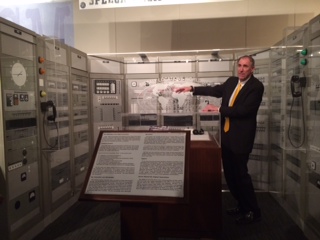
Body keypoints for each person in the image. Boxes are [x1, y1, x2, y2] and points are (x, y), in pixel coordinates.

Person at [175, 55, 264, 224]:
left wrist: (217, 109)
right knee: (230, 175)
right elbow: (215, 90)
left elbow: (243, 111)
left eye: (246, 66)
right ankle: (242, 205)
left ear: (252, 69)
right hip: (227, 137)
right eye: (239, 65)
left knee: (241, 176)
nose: (241, 69)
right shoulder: (231, 82)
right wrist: (192, 88)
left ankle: (253, 211)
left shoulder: (256, 87)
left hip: (241, 139)